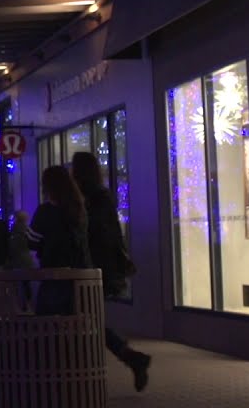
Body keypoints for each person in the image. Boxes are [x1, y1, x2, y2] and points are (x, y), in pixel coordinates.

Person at [71, 151, 151, 392]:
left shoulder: (90, 199)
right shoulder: (101, 197)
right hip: (100, 268)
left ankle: (123, 358)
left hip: (93, 268)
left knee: (84, 319)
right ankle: (128, 357)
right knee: (87, 319)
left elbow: (98, 234)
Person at [27, 165, 90, 317]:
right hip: (80, 276)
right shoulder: (79, 209)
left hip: (52, 276)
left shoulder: (45, 211)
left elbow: (32, 242)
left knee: (47, 323)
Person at [6, 210, 36, 309]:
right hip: (25, 261)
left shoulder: (13, 230)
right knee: (26, 284)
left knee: (16, 284)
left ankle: (17, 305)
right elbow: (34, 241)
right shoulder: (26, 229)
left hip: (14, 261)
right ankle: (27, 304)